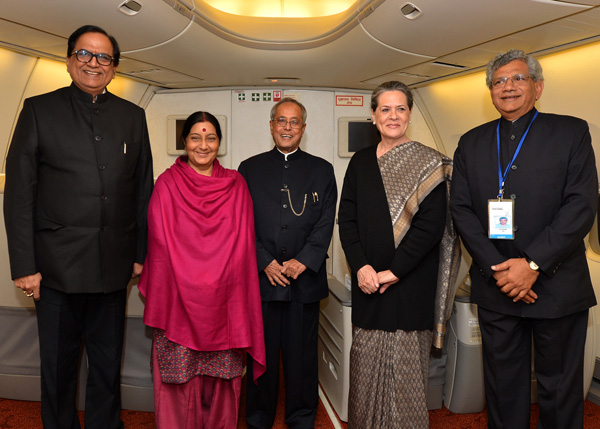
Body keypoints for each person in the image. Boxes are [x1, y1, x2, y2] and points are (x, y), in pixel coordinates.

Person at [3, 25, 154, 428]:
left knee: (107, 367)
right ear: (69, 60)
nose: (93, 63)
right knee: (58, 368)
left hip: (112, 267)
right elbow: (19, 194)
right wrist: (23, 265)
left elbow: (143, 192)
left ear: (114, 67)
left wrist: (140, 255)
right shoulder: (39, 110)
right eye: (84, 54)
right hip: (54, 269)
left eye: (103, 57)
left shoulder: (133, 116)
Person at [450, 49, 597, 429]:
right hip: (497, 285)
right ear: (490, 91)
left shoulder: (572, 131)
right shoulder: (471, 142)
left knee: (560, 388)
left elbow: (581, 205)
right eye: (498, 81)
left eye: (517, 78)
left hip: (556, 284)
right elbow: (461, 211)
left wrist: (531, 265)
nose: (508, 87)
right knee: (502, 388)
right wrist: (501, 270)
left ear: (538, 87)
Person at [338, 80, 460, 428]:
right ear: (373, 116)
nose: (393, 116)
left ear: (410, 114)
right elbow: (347, 218)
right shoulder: (360, 162)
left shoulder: (429, 164)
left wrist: (394, 272)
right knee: (365, 372)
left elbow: (430, 229)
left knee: (406, 379)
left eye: (401, 108)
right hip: (368, 287)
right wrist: (361, 266)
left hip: (410, 288)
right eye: (385, 109)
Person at [137, 111, 266, 428]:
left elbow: (244, 245)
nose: (203, 145)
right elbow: (161, 244)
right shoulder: (167, 184)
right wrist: (192, 279)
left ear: (219, 143)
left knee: (220, 385)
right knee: (179, 384)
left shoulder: (236, 185)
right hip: (178, 301)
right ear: (185, 142)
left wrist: (216, 279)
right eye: (196, 137)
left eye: (210, 138)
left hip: (224, 303)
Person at [238, 98, 337, 428]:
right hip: (262, 281)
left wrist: (303, 261)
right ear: (271, 125)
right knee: (260, 357)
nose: (287, 127)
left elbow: (326, 221)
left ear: (303, 129)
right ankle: (258, 417)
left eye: (295, 122)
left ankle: (301, 417)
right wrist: (264, 261)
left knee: (302, 359)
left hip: (303, 282)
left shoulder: (322, 170)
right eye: (281, 121)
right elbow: (239, 222)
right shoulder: (248, 169)